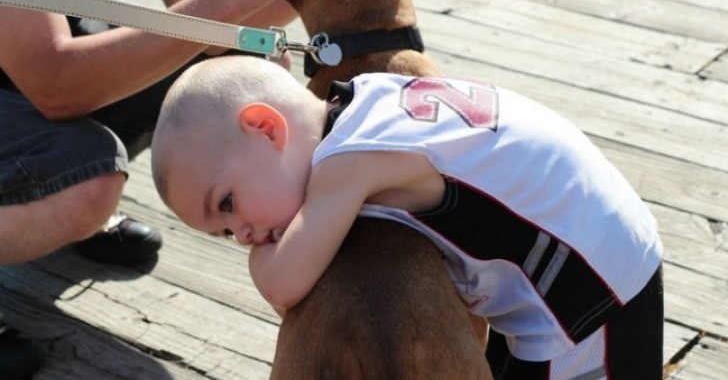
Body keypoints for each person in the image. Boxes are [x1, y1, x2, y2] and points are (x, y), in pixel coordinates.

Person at [152, 56, 665, 380]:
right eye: (223, 234)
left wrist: (265, 257)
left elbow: (282, 285)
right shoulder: (368, 96)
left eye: (227, 204)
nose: (243, 235)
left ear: (266, 127)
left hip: (593, 293)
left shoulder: (349, 162)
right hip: (599, 241)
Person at [0, 0, 317, 376]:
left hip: (26, 65)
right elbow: (53, 82)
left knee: (224, 70)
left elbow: (222, 25)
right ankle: (47, 195)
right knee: (87, 181)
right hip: (40, 70)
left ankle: (37, 196)